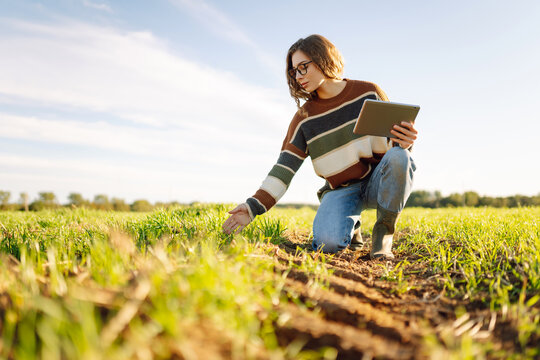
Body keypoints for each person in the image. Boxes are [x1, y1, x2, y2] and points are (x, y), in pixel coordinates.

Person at [222, 34, 417, 260]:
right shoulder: (304, 118)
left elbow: (393, 149)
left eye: (303, 67)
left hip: (377, 182)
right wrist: (252, 207)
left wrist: (405, 141)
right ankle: (352, 227)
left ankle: (383, 237)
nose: (298, 76)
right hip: (341, 190)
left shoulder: (368, 93)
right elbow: (284, 169)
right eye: (294, 72)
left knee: (401, 157)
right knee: (328, 244)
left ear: (323, 59)